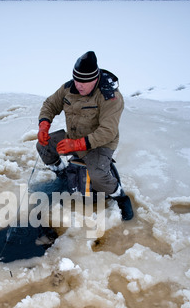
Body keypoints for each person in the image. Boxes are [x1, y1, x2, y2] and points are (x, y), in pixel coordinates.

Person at [36, 51, 133, 221]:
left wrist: (76, 145)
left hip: (101, 143)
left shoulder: (110, 97)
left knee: (98, 176)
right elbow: (50, 104)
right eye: (76, 80)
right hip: (74, 136)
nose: (79, 85)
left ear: (95, 79)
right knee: (43, 146)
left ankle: (121, 197)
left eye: (84, 82)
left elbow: (107, 132)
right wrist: (44, 125)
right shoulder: (68, 88)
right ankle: (62, 175)